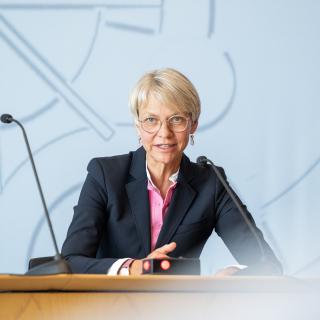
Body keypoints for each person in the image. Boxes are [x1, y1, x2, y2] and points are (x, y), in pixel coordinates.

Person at [61, 68, 282, 276]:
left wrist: (235, 276)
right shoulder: (106, 175)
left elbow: (267, 264)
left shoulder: (211, 184)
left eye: (176, 119)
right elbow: (71, 260)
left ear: (193, 124)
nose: (164, 133)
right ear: (138, 126)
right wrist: (135, 268)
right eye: (151, 120)